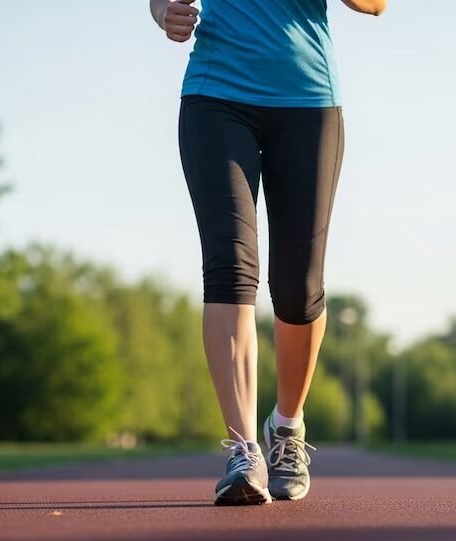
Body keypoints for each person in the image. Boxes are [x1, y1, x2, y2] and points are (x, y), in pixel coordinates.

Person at [149, 0, 386, 506]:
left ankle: (287, 428)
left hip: (308, 98)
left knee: (299, 287)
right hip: (215, 95)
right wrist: (162, 11)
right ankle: (243, 450)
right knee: (230, 267)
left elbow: (376, 4)